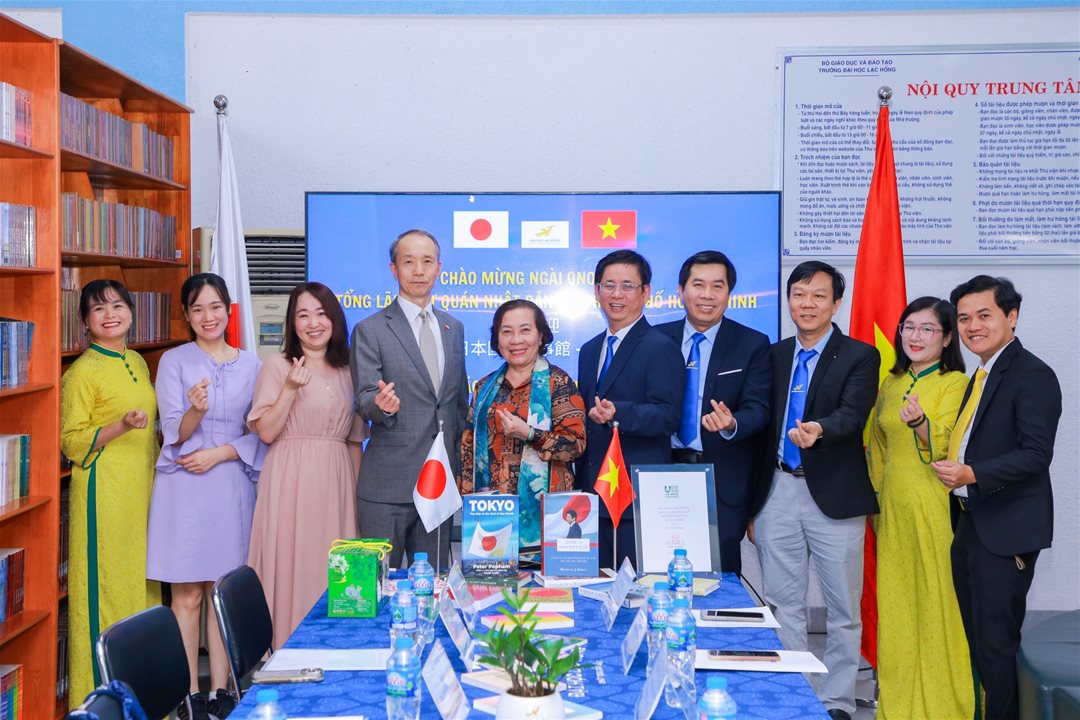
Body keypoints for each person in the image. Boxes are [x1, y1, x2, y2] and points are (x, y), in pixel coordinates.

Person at [748, 261, 879, 720]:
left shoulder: (860, 355)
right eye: (799, 294)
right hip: (778, 489)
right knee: (782, 603)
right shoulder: (773, 354)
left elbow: (853, 414)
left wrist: (820, 430)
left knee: (842, 608)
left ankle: (837, 700)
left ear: (836, 303)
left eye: (819, 295)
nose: (807, 304)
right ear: (788, 301)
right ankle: (794, 695)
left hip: (835, 496)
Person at [932, 276, 1061, 720]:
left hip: (1005, 532)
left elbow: (1036, 454)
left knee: (995, 647)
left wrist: (973, 474)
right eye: (964, 318)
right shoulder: (982, 373)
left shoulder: (1032, 374)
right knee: (981, 645)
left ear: (1012, 316)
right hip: (972, 522)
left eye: (984, 315)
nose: (973, 327)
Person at [145, 273, 264, 720]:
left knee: (220, 592)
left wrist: (220, 453)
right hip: (184, 486)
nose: (207, 316)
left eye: (215, 307)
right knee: (186, 595)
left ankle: (221, 689)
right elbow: (173, 431)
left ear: (228, 310)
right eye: (197, 309)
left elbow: (260, 431)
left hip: (230, 481)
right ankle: (188, 693)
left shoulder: (253, 365)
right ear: (187, 316)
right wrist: (196, 410)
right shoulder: (173, 361)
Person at [867, 296, 973, 720]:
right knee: (896, 606)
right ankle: (898, 707)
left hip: (934, 506)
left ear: (946, 338)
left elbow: (951, 443)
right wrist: (876, 500)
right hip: (892, 510)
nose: (915, 336)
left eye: (928, 329)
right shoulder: (891, 383)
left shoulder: (955, 383)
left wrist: (921, 424)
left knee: (938, 604)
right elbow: (877, 448)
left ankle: (945, 707)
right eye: (909, 327)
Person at [61, 279, 162, 708]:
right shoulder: (81, 373)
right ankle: (102, 705)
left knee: (142, 589)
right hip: (103, 495)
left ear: (131, 312)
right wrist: (121, 425)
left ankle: (146, 700)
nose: (109, 315)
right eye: (98, 309)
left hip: (142, 491)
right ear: (85, 321)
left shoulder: (136, 360)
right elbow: (71, 441)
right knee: (106, 595)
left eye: (117, 306)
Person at [248, 282, 365, 649]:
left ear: (334, 319)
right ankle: (286, 651)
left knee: (335, 570)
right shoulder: (277, 366)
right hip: (290, 482)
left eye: (321, 314)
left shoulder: (349, 370)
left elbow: (354, 441)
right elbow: (266, 432)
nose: (313, 323)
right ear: (292, 323)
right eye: (303, 315)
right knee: (292, 565)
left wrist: (354, 503)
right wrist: (289, 389)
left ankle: (337, 653)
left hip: (337, 484)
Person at [351, 229, 469, 569]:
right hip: (388, 485)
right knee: (378, 585)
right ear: (394, 269)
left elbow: (456, 404)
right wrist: (380, 406)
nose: (419, 270)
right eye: (408, 262)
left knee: (432, 582)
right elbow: (364, 398)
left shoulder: (453, 328)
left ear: (439, 268)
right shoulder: (370, 329)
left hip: (439, 483)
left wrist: (459, 468)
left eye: (427, 261)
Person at [656, 250, 771, 575]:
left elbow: (759, 408)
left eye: (717, 286)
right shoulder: (655, 339)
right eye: (698, 285)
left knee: (721, 577)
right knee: (658, 569)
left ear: (729, 293)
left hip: (721, 480)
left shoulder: (752, 343)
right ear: (681, 290)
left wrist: (733, 422)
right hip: (660, 473)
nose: (707, 295)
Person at [574, 250, 684, 569]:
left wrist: (617, 414)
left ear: (645, 292)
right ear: (597, 291)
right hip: (592, 494)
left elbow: (668, 417)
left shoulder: (660, 347)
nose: (616, 295)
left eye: (627, 286)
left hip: (634, 497)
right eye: (609, 285)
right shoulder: (590, 349)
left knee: (633, 588)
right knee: (594, 586)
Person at [460, 299, 586, 548]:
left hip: (546, 516)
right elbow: (468, 446)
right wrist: (468, 501)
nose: (516, 340)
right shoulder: (483, 388)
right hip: (490, 516)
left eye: (525, 330)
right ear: (497, 339)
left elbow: (576, 445)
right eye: (507, 332)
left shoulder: (558, 383)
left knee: (542, 575)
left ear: (540, 336)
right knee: (491, 574)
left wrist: (530, 433)